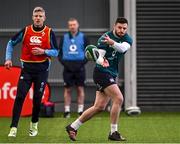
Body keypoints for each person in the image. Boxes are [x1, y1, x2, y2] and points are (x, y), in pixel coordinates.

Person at [65, 17, 132, 141]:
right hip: (101, 72)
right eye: (119, 27)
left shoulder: (127, 38)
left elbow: (123, 48)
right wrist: (102, 61)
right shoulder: (104, 38)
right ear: (114, 26)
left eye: (124, 28)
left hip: (111, 74)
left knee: (99, 107)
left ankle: (73, 126)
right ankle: (113, 132)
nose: (122, 30)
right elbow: (98, 56)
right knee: (119, 98)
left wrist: (112, 43)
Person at [4, 6, 58, 137]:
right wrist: (8, 59)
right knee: (20, 97)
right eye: (36, 16)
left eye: (40, 16)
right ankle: (13, 128)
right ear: (33, 17)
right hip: (27, 70)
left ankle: (34, 125)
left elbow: (56, 52)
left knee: (37, 99)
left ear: (44, 18)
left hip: (42, 71)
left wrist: (43, 51)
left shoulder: (49, 32)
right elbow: (11, 43)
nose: (38, 18)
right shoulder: (26, 31)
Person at [58, 18, 89, 118]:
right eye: (70, 25)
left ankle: (80, 111)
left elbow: (88, 53)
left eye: (74, 24)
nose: (72, 26)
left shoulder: (83, 37)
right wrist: (65, 64)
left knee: (80, 89)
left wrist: (81, 64)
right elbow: (59, 53)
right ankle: (67, 111)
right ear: (68, 26)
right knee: (67, 90)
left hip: (80, 67)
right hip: (67, 68)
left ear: (77, 25)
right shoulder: (64, 37)